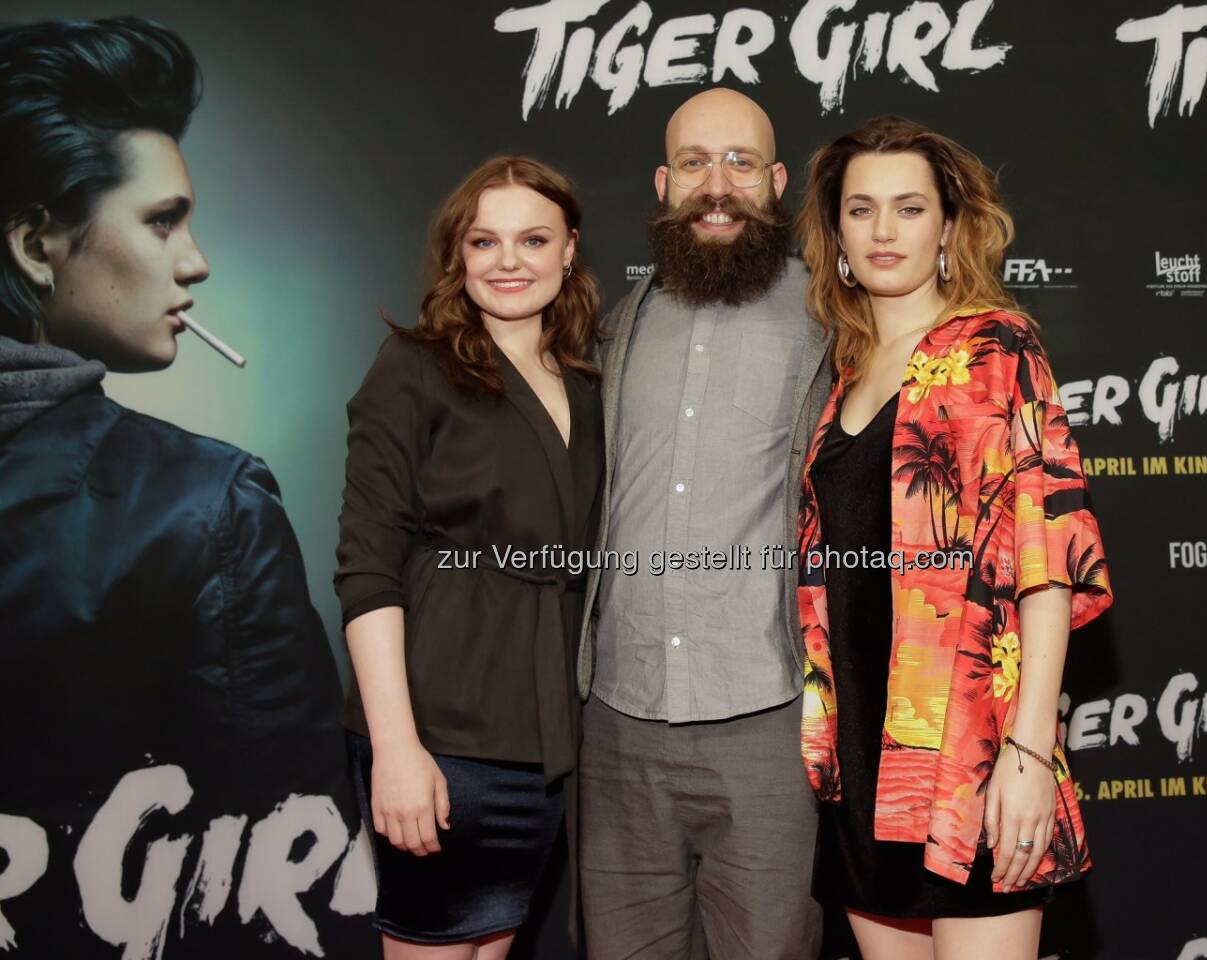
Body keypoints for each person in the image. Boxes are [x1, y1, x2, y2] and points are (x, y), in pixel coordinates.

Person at [0, 16, 349, 954]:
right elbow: (297, 881)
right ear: (38, 246)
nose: (194, 262)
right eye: (161, 220)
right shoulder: (212, 509)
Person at [792, 115, 1115, 959]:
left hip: (968, 750)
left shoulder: (995, 349)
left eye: (908, 207)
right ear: (836, 235)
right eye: (861, 210)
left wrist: (1029, 752)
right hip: (861, 759)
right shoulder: (845, 374)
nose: (884, 230)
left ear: (946, 226)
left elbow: (1047, 564)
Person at [576, 87, 832, 959]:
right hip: (618, 723)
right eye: (694, 163)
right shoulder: (621, 324)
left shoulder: (835, 321)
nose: (715, 185)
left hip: (765, 717)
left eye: (739, 162)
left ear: (776, 180)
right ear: (663, 181)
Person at [334, 155, 603, 959]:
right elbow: (367, 568)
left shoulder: (590, 387)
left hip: (547, 743)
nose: (509, 261)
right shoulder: (414, 368)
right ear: (458, 255)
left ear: (569, 250)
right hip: (437, 734)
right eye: (484, 241)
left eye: (532, 239)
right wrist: (397, 749)